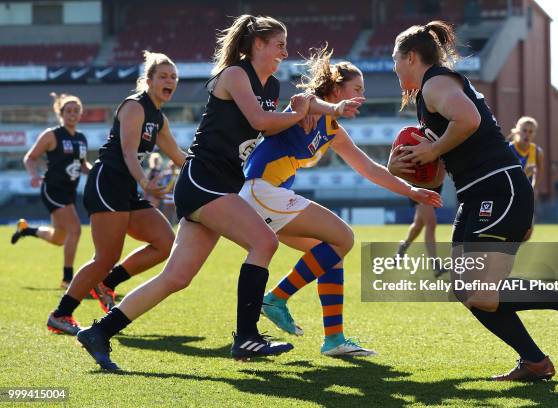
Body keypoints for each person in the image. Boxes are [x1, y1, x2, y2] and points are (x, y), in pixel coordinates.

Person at [75, 15, 364, 370]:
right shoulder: (234, 74)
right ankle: (247, 337)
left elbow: (297, 106)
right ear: (257, 45)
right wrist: (298, 113)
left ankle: (99, 332)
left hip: (221, 182)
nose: (285, 52)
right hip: (204, 179)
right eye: (279, 45)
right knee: (264, 243)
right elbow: (262, 122)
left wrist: (326, 108)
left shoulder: (271, 85)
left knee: (176, 278)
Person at [388, 21, 558, 381]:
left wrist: (433, 148)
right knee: (466, 288)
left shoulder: (435, 83)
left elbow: (467, 120)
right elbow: (436, 175)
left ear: (410, 57)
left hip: (498, 189)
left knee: (480, 292)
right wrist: (400, 168)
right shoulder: (432, 93)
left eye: (395, 60)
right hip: (479, 194)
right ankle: (534, 361)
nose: (394, 68)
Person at [241, 47, 441, 357]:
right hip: (261, 191)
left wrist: (411, 191)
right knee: (344, 236)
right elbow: (305, 101)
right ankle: (276, 298)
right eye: (357, 89)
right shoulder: (307, 105)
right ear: (336, 89)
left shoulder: (332, 128)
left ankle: (334, 339)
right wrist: (331, 108)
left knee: (332, 252)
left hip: (267, 197)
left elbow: (369, 168)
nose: (361, 96)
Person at [46, 51, 187, 335]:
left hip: (126, 187)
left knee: (164, 242)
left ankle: (107, 283)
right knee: (105, 257)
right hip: (107, 182)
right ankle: (61, 315)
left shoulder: (158, 118)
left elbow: (177, 155)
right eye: (163, 76)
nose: (169, 80)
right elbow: (127, 151)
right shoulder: (135, 106)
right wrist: (146, 184)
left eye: (173, 77)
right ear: (148, 80)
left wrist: (213, 167)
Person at [12, 93, 91, 288]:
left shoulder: (81, 138)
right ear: (60, 113)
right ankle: (67, 279)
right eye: (68, 111)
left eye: (76, 110)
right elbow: (30, 158)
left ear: (81, 114)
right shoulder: (52, 135)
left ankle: (26, 230)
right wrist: (33, 175)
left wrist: (98, 172)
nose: (72, 114)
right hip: (53, 190)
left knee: (59, 238)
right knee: (75, 230)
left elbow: (82, 165)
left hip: (69, 192)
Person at [396, 183, 448, 277]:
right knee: (431, 223)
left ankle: (403, 247)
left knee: (418, 225)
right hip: (420, 185)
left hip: (434, 185)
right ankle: (435, 266)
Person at [508, 116, 543, 241]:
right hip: (509, 192)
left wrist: (534, 187)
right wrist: (523, 172)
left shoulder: (537, 151)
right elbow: (506, 176)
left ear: (534, 134)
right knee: (508, 226)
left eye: (530, 131)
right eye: (524, 130)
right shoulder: (509, 149)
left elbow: (539, 171)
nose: (527, 134)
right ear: (518, 131)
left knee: (528, 230)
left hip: (526, 193)